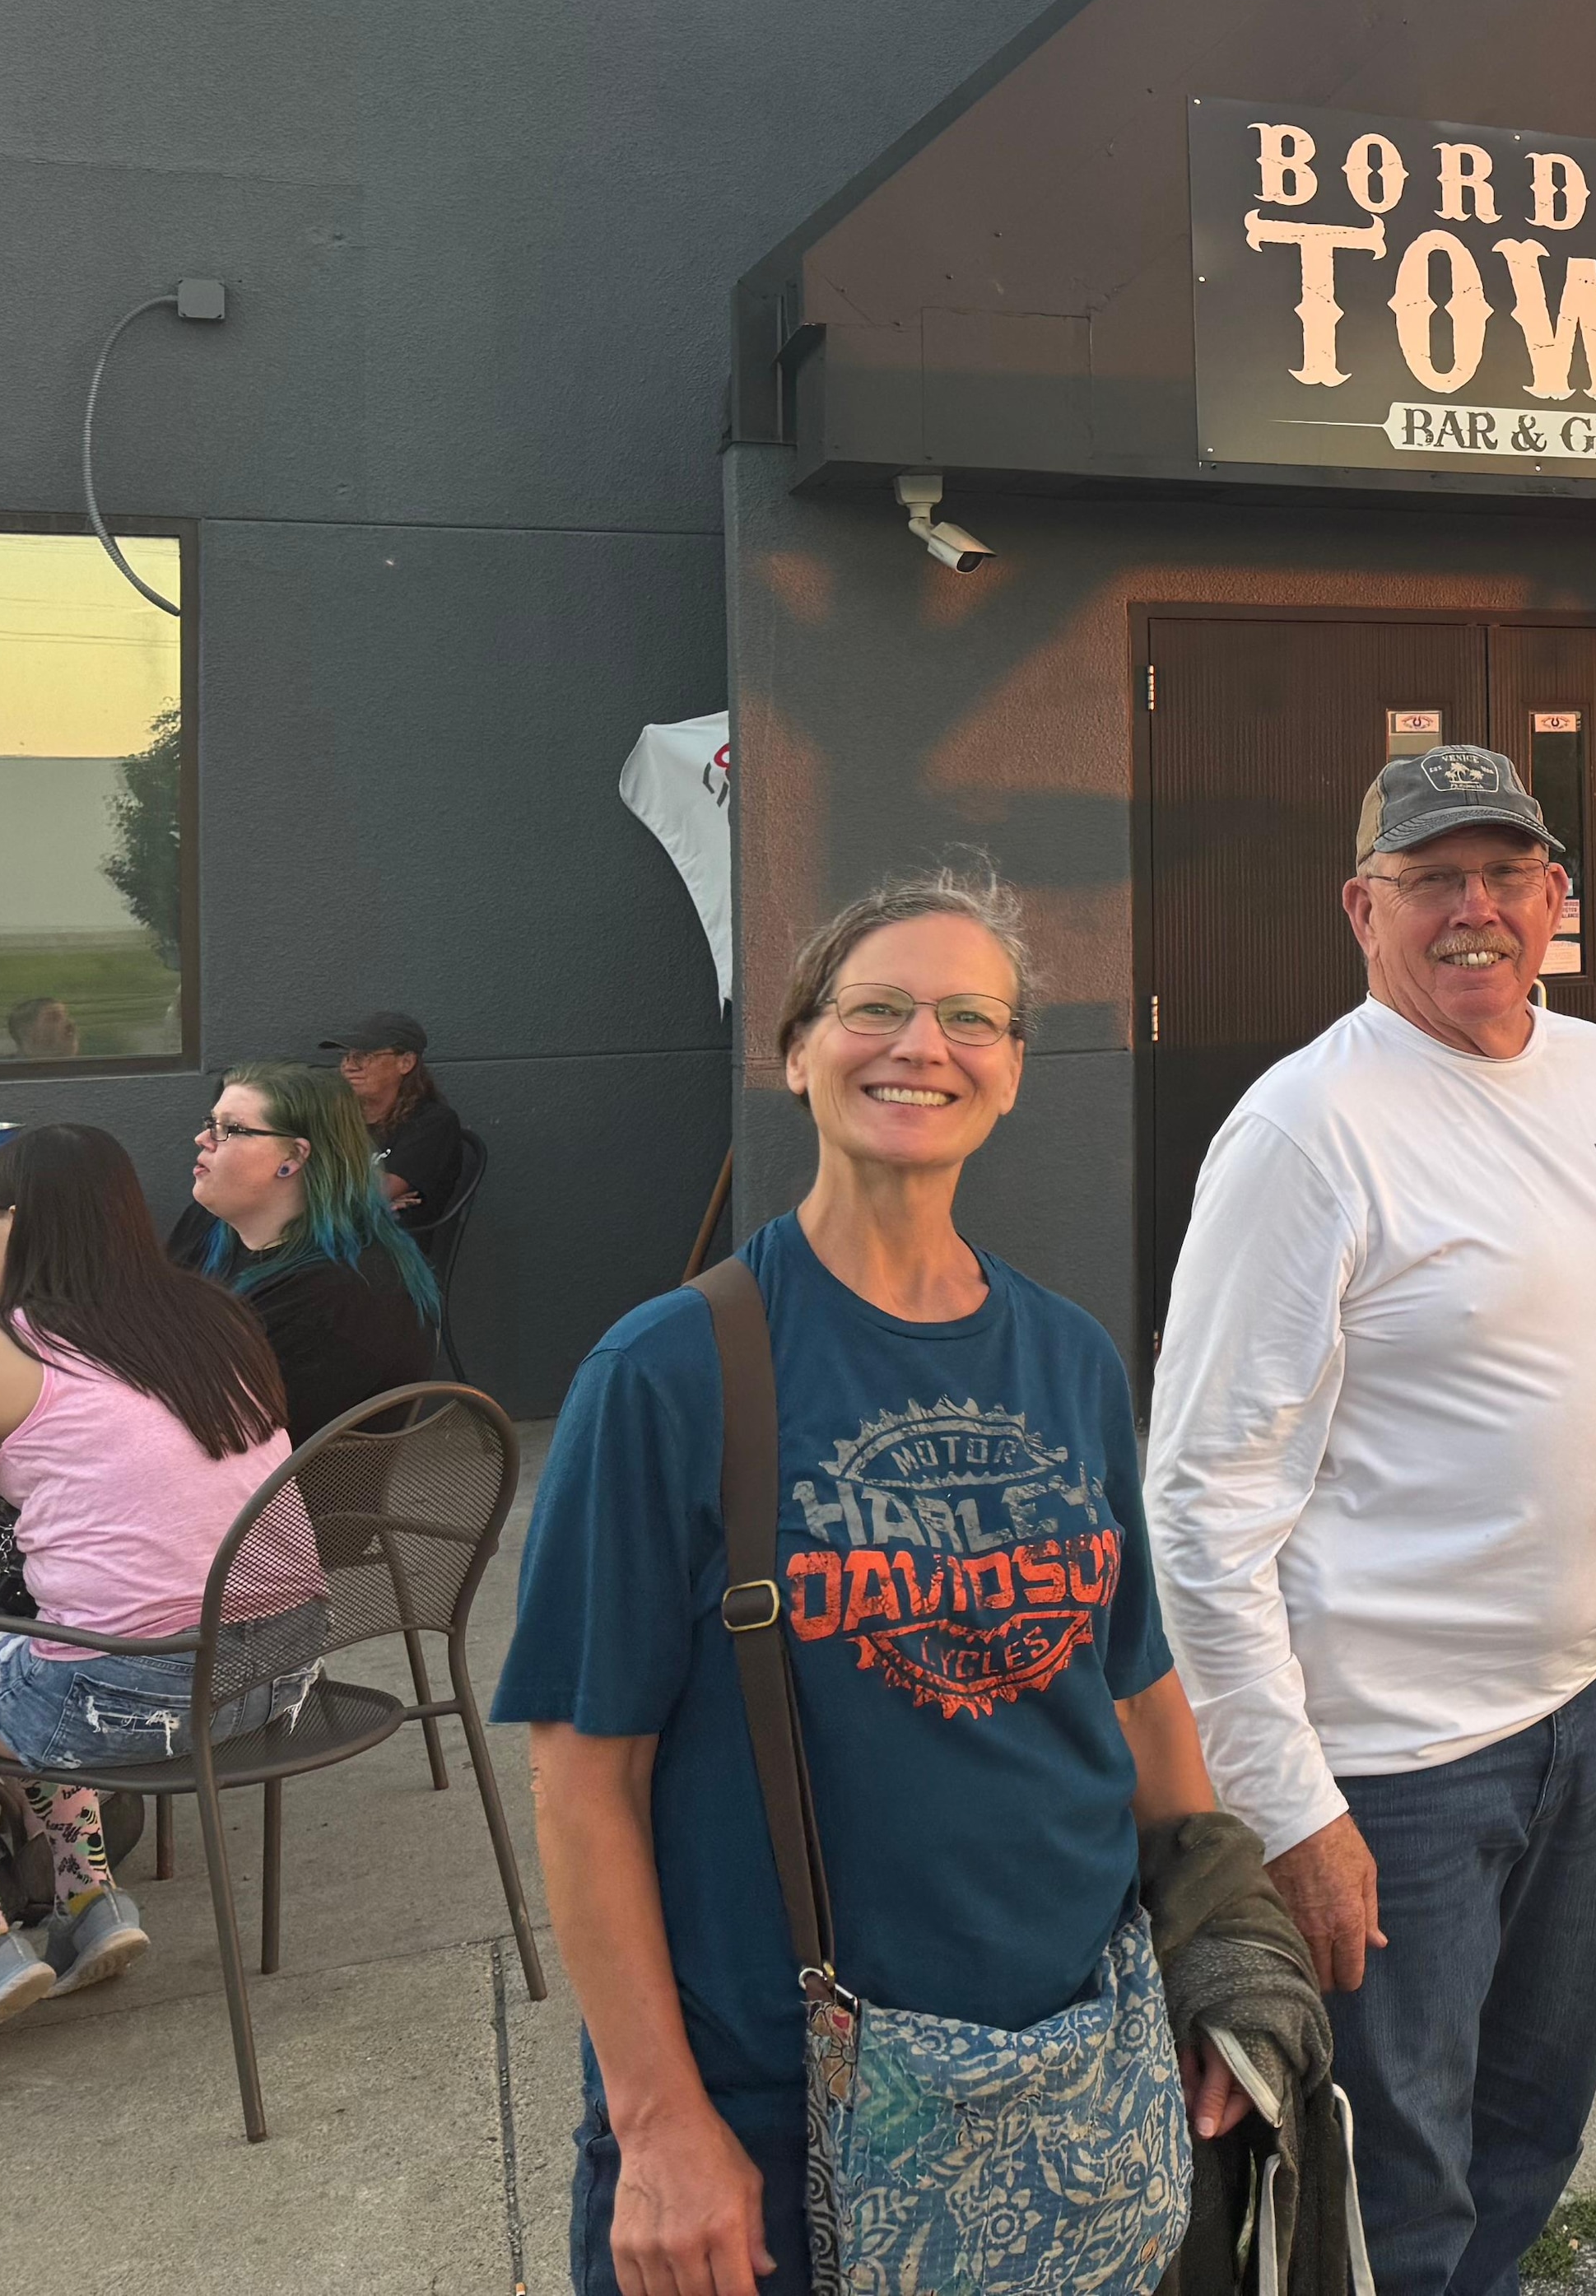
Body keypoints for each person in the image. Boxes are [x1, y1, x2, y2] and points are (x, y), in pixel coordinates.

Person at [496, 865, 1260, 2296]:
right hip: (780, 2109)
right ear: (796, 1052)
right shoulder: (668, 1373)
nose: (923, 1045)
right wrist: (658, 2123)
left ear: (1013, 1072)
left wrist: (1222, 1947)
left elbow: (1137, 1688)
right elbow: (585, 1781)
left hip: (1076, 2077)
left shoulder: (1070, 1356)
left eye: (971, 1017)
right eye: (877, 1008)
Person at [1148, 744, 1596, 2296]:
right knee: (1392, 2179)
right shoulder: (1307, 1132)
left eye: (1505, 874)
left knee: (1530, 2130)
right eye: (1431, 878)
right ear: (1359, 909)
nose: (1473, 910)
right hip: (1396, 1766)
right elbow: (1201, 1502)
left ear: (1556, 897)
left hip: (1589, 1716)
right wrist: (1291, 1808)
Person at [0, 1125, 332, 2054]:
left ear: (22, 1226)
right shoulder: (215, 1317)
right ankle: (87, 1903)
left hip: (137, 1697)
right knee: (38, 1642)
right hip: (281, 1678)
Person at [179, 1064, 443, 1441]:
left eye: (229, 1128)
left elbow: (228, 1432)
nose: (203, 1138)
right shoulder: (212, 1225)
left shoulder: (339, 1295)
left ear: (293, 1157)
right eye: (211, 1122)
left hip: (267, 1475)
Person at [324, 1011, 469, 1228]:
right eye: (346, 1056)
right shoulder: (337, 1116)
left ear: (406, 1062)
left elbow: (374, 1194)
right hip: (333, 1233)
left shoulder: (433, 1122)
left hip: (390, 1243)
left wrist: (364, 1197)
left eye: (364, 1056)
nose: (349, 1066)